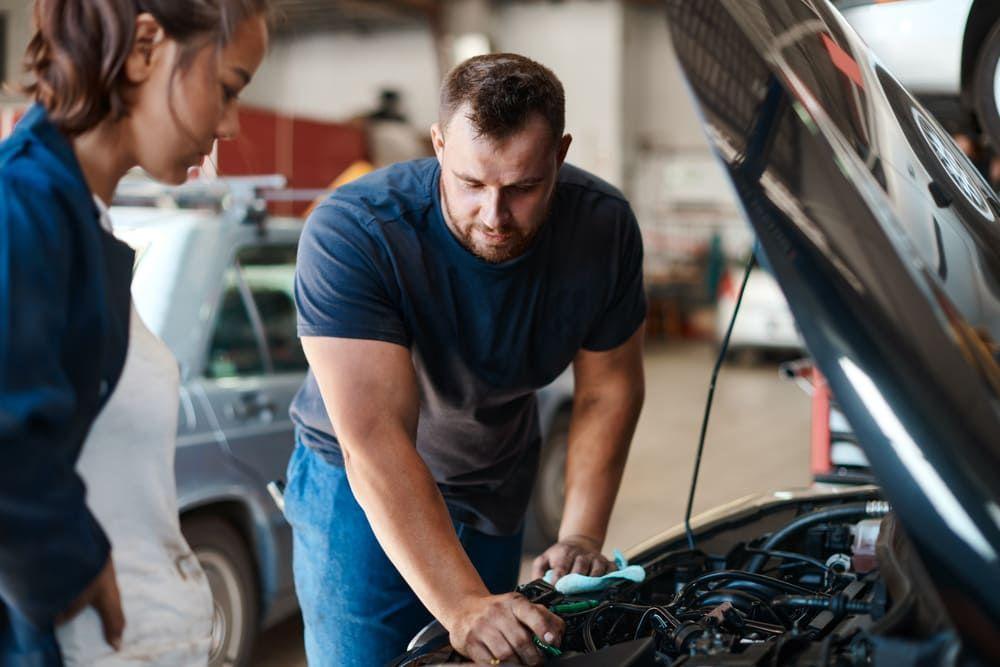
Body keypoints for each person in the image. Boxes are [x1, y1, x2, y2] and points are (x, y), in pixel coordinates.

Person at [287, 53, 646, 666]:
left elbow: (606, 389)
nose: (494, 215)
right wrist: (460, 604)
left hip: (493, 482)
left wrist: (581, 534)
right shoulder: (356, 232)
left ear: (559, 156)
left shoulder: (602, 229)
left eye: (523, 187)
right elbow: (373, 436)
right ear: (438, 144)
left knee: (499, 655)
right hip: (357, 495)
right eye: (471, 183)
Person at [0, 1, 269, 665]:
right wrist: (67, 561)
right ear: (146, 46)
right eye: (227, 87)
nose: (230, 123)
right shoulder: (23, 208)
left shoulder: (79, 215)